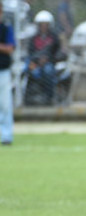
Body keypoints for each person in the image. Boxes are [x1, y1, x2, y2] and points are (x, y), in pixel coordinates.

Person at [25, 10, 61, 105]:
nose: (44, 26)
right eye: (42, 24)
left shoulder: (53, 37)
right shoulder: (34, 38)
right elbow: (31, 52)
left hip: (49, 62)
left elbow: (57, 52)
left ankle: (49, 97)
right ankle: (28, 98)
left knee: (48, 71)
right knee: (29, 71)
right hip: (36, 63)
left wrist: (47, 59)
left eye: (46, 24)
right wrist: (37, 60)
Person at [0, 2, 16, 146]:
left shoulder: (5, 27)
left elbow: (10, 48)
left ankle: (6, 136)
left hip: (3, 70)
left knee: (5, 104)